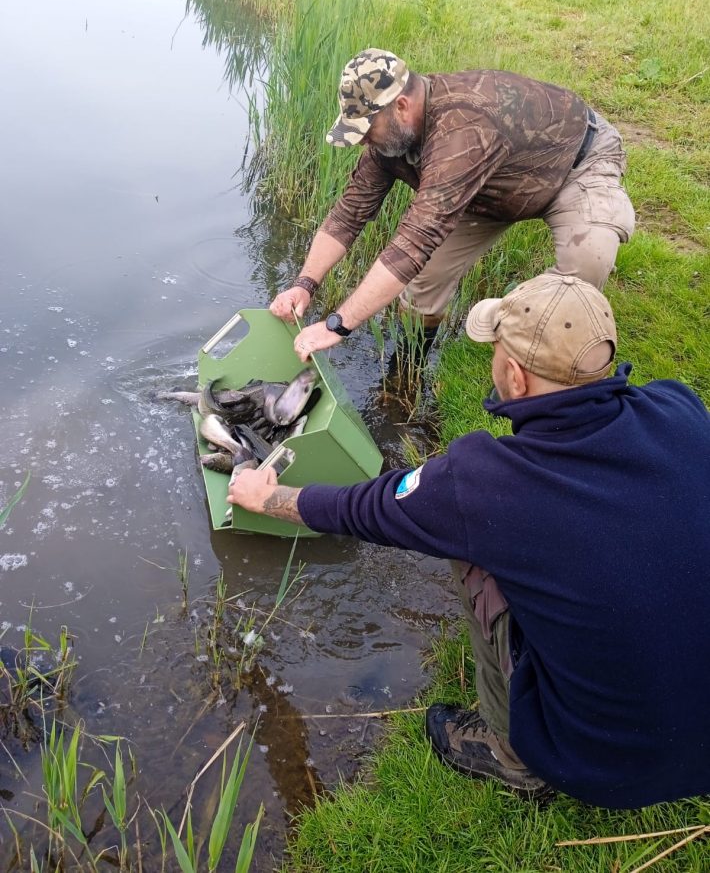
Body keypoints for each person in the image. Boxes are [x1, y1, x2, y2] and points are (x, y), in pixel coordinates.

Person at [229, 273, 710, 808]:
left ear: (514, 376)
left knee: (472, 552)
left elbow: (365, 509)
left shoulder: (485, 483)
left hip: (600, 764)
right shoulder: (679, 410)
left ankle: (515, 757)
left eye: (496, 353)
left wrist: (265, 497)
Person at [270, 49, 635, 366]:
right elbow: (349, 214)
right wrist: (305, 285)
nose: (362, 139)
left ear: (401, 106)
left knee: (587, 262)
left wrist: (339, 324)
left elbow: (415, 241)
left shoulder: (464, 129)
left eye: (366, 129)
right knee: (423, 284)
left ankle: (540, 370)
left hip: (573, 162)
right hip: (488, 191)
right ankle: (408, 368)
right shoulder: (390, 139)